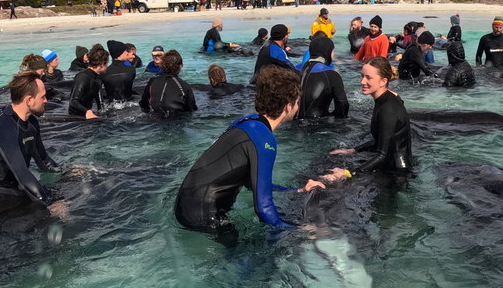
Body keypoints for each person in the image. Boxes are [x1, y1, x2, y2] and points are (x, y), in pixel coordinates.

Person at [175, 66, 345, 232]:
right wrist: (301, 230)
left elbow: (252, 182)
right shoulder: (264, 138)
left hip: (185, 205)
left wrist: (298, 190)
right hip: (203, 216)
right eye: (298, 102)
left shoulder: (246, 122)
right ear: (288, 106)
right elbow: (263, 209)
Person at [0, 72, 65, 216]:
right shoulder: (4, 127)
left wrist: (67, 171)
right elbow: (22, 173)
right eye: (42, 97)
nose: (46, 100)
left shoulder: (32, 123)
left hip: (15, 191)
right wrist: (49, 203)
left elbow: (43, 160)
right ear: (29, 100)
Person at [329, 57, 413, 173]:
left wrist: (350, 174)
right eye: (362, 76)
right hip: (391, 164)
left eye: (368, 78)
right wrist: (353, 150)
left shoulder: (388, 109)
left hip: (397, 173)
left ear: (383, 81)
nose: (362, 82)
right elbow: (382, 141)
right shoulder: (387, 99)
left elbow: (382, 155)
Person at [296, 35, 349, 119]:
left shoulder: (292, 69)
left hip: (291, 122)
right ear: (328, 52)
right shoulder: (332, 74)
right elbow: (342, 104)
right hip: (319, 126)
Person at [140, 50, 196, 116]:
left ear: (162, 65)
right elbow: (191, 109)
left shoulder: (152, 81)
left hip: (155, 118)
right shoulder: (185, 86)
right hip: (177, 120)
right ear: (180, 66)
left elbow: (143, 104)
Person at [68, 44, 108, 119]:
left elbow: (101, 105)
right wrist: (87, 111)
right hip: (75, 117)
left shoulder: (98, 78)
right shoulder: (83, 76)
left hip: (88, 115)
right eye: (107, 64)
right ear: (102, 64)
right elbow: (73, 102)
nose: (107, 67)